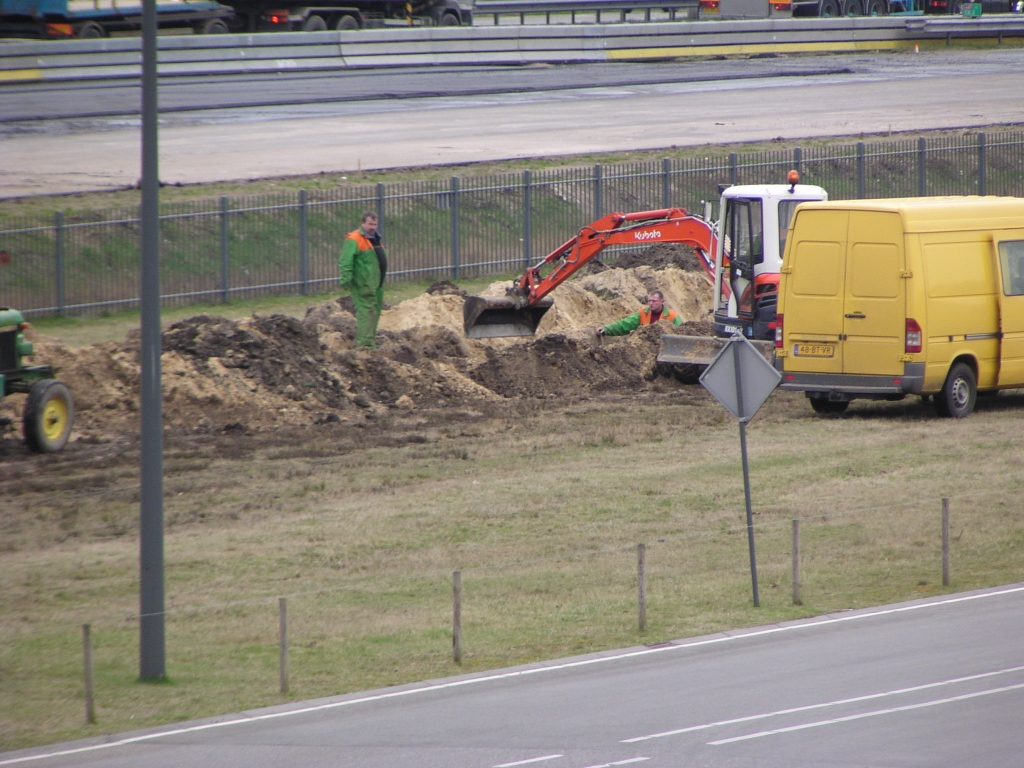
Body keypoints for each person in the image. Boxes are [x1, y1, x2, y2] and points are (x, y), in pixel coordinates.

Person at [340, 212, 387, 349]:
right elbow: (345, 260)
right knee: (366, 312)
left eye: (375, 224)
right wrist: (346, 279)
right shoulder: (354, 239)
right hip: (363, 284)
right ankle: (364, 345)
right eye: (370, 224)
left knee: (375, 312)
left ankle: (370, 341)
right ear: (362, 223)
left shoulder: (375, 239)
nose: (373, 227)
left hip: (376, 284)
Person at [596, 290, 683, 337]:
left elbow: (682, 334)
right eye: (649, 301)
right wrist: (606, 329)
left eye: (654, 301)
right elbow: (624, 324)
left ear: (662, 302)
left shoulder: (672, 316)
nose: (651, 303)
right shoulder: (642, 313)